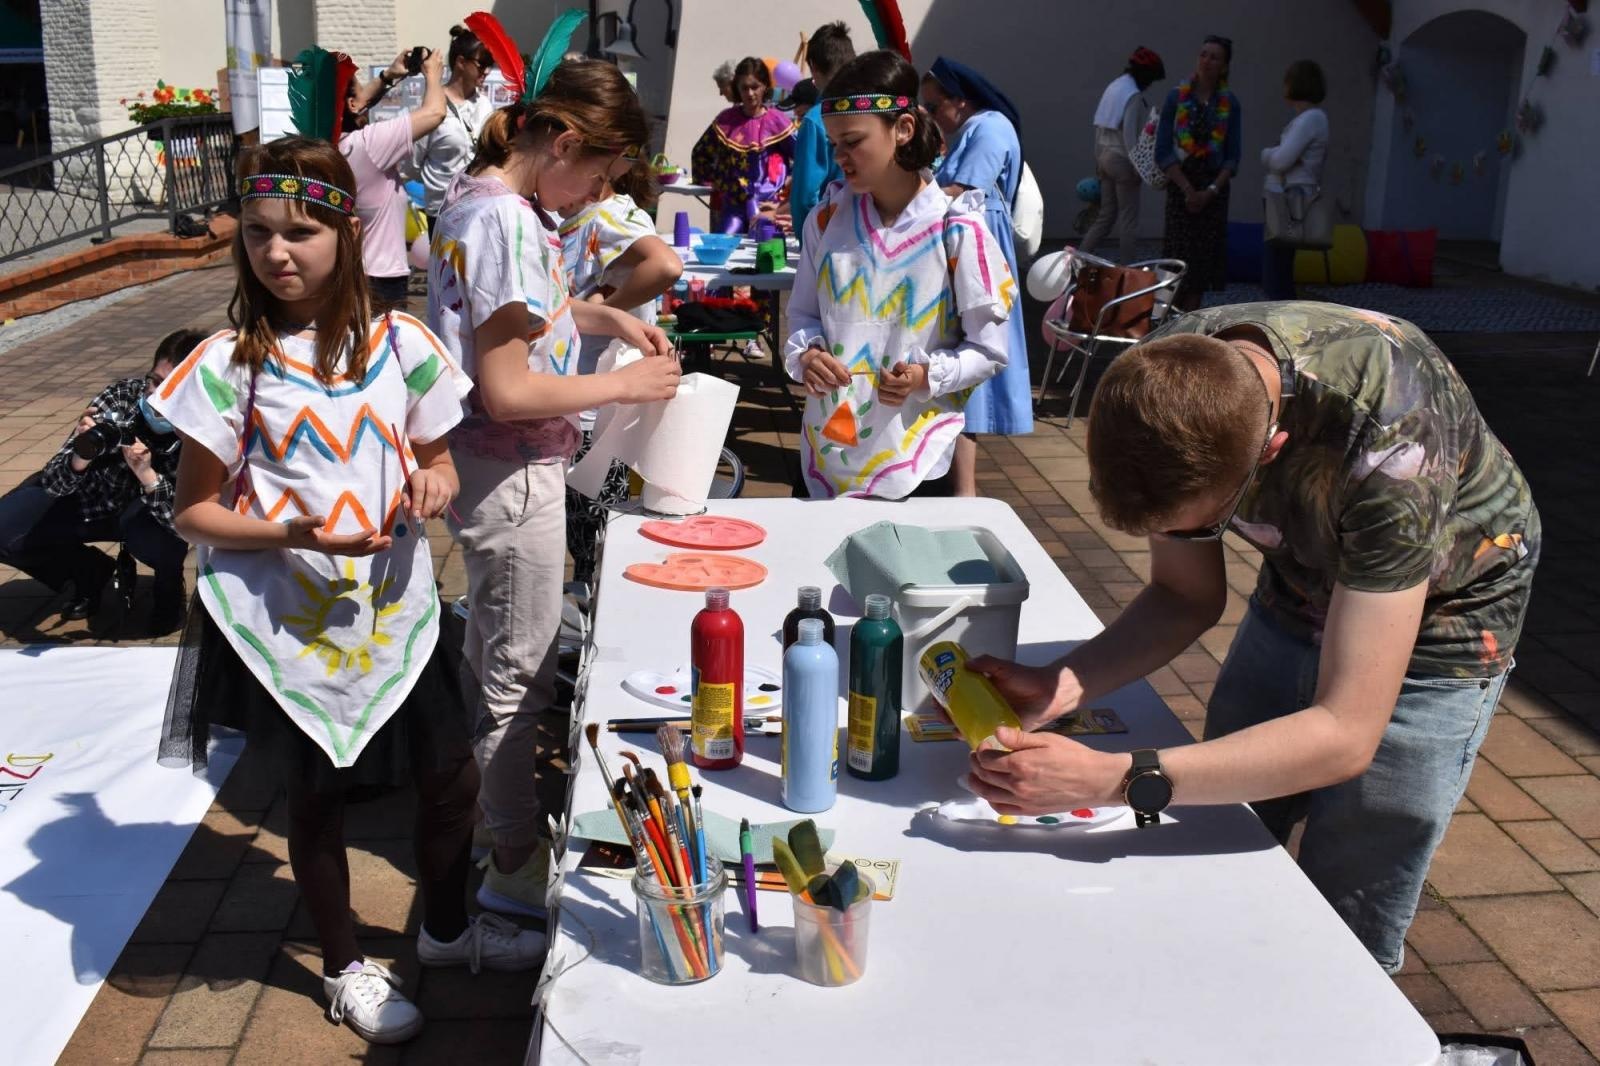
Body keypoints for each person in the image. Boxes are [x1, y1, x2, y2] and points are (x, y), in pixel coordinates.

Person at [962, 301, 1540, 975]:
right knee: (1224, 817)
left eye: (1200, 527)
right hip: (1303, 579)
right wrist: (1061, 683)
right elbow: (1184, 595)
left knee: (1354, 883)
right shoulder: (1167, 379)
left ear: (1269, 450)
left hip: (1447, 615)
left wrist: (1117, 779)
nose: (1182, 542)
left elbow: (1345, 735)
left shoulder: (1395, 442)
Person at [152, 137, 545, 1045]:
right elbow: (195, 514)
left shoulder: (402, 346)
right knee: (318, 799)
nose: (276, 253)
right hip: (287, 623)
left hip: (393, 613)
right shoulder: (229, 365)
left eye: (299, 231)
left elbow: (436, 458)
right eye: (256, 233)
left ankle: (445, 931)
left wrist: (434, 486)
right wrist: (290, 531)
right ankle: (340, 966)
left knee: (450, 782)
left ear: (350, 230)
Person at [427, 58, 680, 918]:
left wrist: (602, 315)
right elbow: (507, 386)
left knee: (502, 652)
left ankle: (504, 837)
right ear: (565, 142)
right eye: (600, 177)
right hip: (512, 471)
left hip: (499, 469)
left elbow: (524, 320)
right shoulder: (505, 219)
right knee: (516, 671)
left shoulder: (488, 200)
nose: (592, 196)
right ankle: (512, 864)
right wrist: (624, 387)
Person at [785, 50, 1012, 499]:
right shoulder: (827, 222)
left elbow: (988, 350)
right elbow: (802, 316)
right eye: (835, 145)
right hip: (827, 450)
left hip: (920, 460)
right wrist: (808, 355)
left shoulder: (956, 229)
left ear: (903, 130)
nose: (841, 158)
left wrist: (928, 377)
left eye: (853, 141)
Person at [0, 330, 199, 633]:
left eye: (172, 387)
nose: (156, 395)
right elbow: (53, 482)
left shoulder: (201, 427)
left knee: (158, 537)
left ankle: (168, 584)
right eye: (154, 380)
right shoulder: (122, 397)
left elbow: (184, 524)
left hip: (146, 518)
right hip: (90, 501)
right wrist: (81, 454)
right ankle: (88, 573)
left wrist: (147, 475)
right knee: (6, 527)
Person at [558, 159, 684, 587]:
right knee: (589, 536)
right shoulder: (583, 215)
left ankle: (599, 629)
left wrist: (605, 314)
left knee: (600, 540)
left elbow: (666, 267)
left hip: (603, 413)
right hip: (587, 402)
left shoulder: (609, 216)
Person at [921, 57, 1033, 496]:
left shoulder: (989, 127)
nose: (930, 116)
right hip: (968, 252)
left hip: (977, 258)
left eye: (933, 107)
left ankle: (963, 492)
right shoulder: (975, 128)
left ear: (958, 101)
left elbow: (963, 192)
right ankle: (958, 487)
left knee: (973, 366)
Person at [338, 47, 447, 311]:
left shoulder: (327, 146)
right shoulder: (366, 145)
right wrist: (433, 75)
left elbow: (356, 102)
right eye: (358, 87)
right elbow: (435, 113)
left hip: (348, 272)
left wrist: (388, 76)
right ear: (352, 104)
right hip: (380, 279)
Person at [1155, 35, 1243, 311]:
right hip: (1182, 191)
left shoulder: (1230, 103)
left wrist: (1210, 192)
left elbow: (1232, 157)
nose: (1206, 61)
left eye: (1214, 57)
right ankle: (1165, 328)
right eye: (1203, 54)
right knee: (1175, 269)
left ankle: (1191, 333)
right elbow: (1163, 151)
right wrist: (1188, 190)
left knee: (1200, 273)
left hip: (1213, 195)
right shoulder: (1176, 97)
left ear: (1224, 66)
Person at [1080, 47, 1166, 265]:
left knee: (1106, 216)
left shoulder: (1114, 87)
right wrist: (1139, 168)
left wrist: (1098, 160)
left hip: (1104, 157)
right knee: (1129, 220)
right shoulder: (1133, 96)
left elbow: (1098, 126)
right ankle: (1128, 269)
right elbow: (1130, 136)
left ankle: (1076, 259)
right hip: (1122, 161)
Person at [691, 56, 796, 234]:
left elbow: (804, 159)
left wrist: (786, 187)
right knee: (723, 245)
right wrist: (715, 181)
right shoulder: (726, 120)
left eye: (754, 87)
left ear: (765, 87)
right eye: (744, 88)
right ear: (737, 89)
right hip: (733, 207)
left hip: (767, 207)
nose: (749, 93)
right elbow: (700, 152)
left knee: (766, 253)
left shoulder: (778, 121)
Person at [410, 26, 496, 235]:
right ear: (460, 62)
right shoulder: (432, 107)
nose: (486, 71)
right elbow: (411, 163)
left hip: (480, 209)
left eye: (490, 65)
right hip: (442, 214)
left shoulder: (485, 105)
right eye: (481, 64)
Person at [1260, 60, 1329, 301]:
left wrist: (1267, 154)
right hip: (1288, 197)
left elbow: (1281, 159)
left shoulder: (1310, 119)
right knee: (1277, 268)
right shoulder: (1310, 119)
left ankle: (1278, 325)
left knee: (1275, 272)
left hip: (1288, 200)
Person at [786, 22, 855, 246]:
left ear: (814, 68)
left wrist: (808, 241)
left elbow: (805, 195)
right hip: (870, 234)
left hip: (827, 238)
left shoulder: (816, 120)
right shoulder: (872, 110)